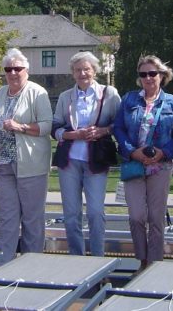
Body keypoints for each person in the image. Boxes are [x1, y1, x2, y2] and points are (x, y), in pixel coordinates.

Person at [0, 48, 53, 264]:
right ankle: (5, 263)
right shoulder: (0, 93)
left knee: (32, 219)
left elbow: (47, 126)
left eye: (17, 68)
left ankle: (31, 264)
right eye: (8, 69)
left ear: (26, 70)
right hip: (4, 165)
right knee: (7, 218)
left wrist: (20, 126)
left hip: (30, 164)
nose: (13, 73)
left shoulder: (38, 92)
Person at [113, 55, 173, 271]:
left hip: (160, 165)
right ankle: (142, 259)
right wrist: (131, 151)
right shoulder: (129, 99)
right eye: (143, 74)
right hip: (134, 164)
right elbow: (118, 128)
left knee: (156, 217)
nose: (148, 78)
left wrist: (165, 152)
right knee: (136, 215)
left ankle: (153, 264)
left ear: (162, 75)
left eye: (152, 73)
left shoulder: (172, 102)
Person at [52, 51, 121, 256]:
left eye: (87, 69)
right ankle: (76, 257)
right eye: (78, 70)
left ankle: (98, 259)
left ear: (94, 71)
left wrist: (102, 131)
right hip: (69, 161)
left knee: (95, 212)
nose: (83, 73)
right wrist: (74, 135)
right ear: (72, 73)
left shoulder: (109, 94)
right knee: (71, 214)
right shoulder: (66, 97)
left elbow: (119, 124)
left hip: (96, 161)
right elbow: (55, 128)